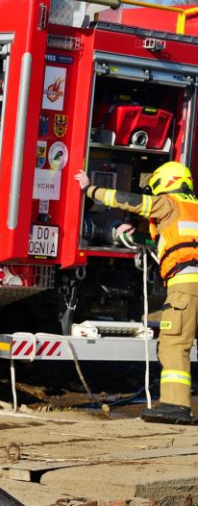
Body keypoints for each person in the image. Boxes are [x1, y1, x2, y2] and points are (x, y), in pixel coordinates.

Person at [77, 162, 198, 424]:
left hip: (186, 285)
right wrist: (137, 237)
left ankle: (176, 406)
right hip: (191, 282)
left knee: (174, 344)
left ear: (166, 183)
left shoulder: (170, 203)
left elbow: (133, 202)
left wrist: (91, 190)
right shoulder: (192, 208)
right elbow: (174, 241)